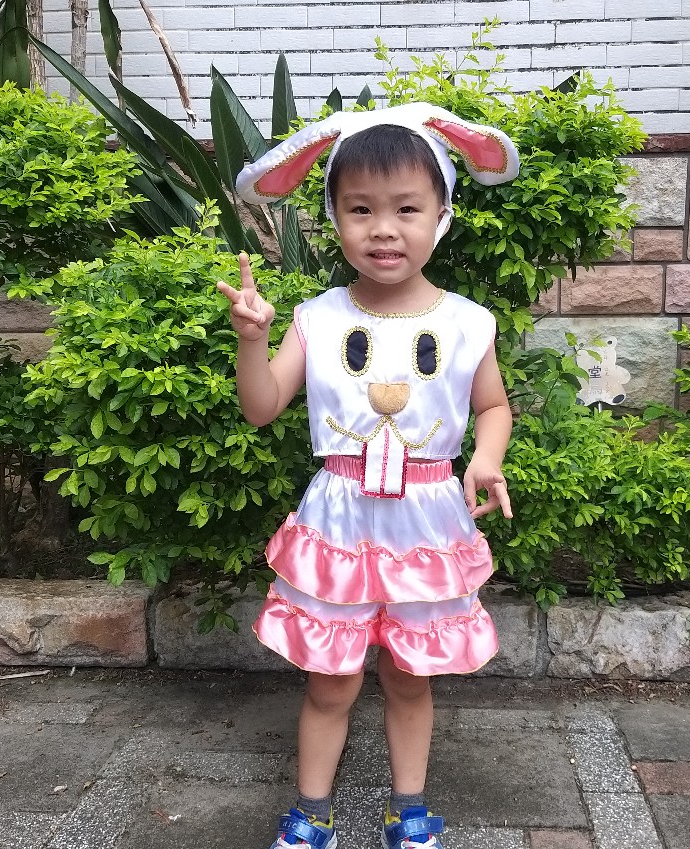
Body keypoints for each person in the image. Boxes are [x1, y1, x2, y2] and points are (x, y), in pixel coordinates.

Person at [217, 103, 520, 849]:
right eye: (361, 209)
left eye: (407, 209)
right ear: (334, 219)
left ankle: (408, 807)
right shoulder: (316, 318)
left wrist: (485, 458)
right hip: (341, 519)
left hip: (426, 518)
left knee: (412, 676)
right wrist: (252, 340)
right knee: (333, 679)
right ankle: (312, 810)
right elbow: (261, 407)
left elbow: (493, 405)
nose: (384, 229)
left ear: (442, 216)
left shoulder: (467, 322)